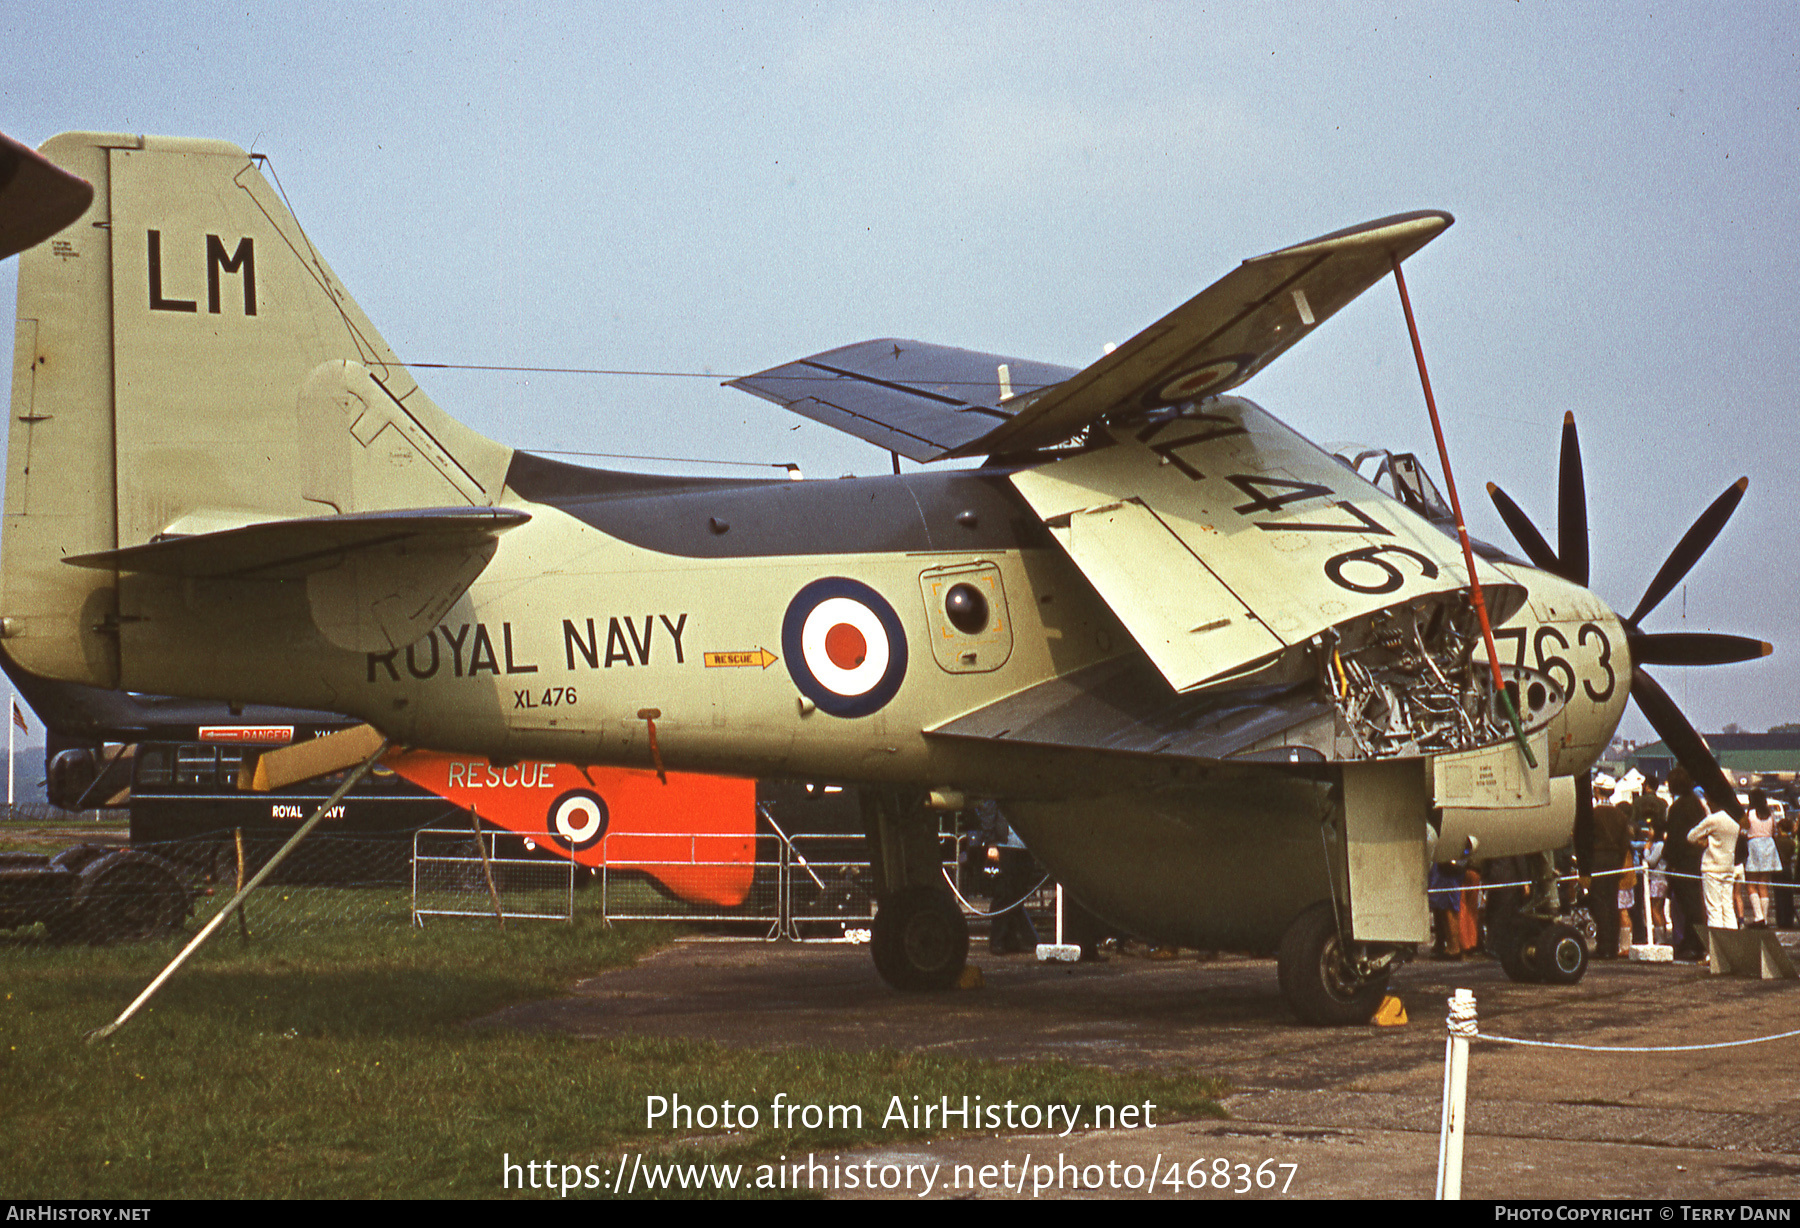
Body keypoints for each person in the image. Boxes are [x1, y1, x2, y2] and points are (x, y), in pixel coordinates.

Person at [1663, 766, 1708, 959]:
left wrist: (1670, 860)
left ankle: (1692, 943)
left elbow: (1674, 838)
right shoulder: (1697, 805)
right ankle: (1694, 942)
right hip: (1697, 860)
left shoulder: (1677, 808)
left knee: (1687, 906)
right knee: (1695, 905)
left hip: (1682, 863)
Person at [1589, 783, 1631, 958]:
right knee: (1612, 902)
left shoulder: (1593, 814)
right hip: (1615, 860)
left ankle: (1603, 945)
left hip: (1597, 860)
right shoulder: (1621, 816)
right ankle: (1612, 947)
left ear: (1597, 791)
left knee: (1598, 902)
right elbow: (1625, 843)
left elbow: (1585, 839)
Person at [1689, 800, 1743, 932]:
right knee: (1728, 908)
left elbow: (1691, 837)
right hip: (1728, 866)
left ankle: (1716, 950)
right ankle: (1731, 947)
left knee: (1714, 910)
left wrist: (1705, 842)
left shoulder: (1712, 820)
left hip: (1712, 867)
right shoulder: (1735, 822)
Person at [1743, 789, 1780, 928]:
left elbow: (1744, 830)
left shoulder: (1750, 814)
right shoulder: (1769, 814)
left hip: (1754, 845)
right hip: (1768, 845)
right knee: (1763, 885)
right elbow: (1773, 831)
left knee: (1751, 884)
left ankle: (1758, 916)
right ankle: (1764, 917)